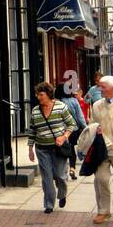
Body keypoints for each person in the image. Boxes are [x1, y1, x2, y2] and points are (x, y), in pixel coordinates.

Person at [28, 81, 74, 215]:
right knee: (47, 177)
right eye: (37, 94)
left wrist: (64, 136)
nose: (38, 97)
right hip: (42, 148)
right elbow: (32, 131)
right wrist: (30, 149)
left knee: (60, 176)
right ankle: (49, 204)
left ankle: (62, 194)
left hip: (58, 148)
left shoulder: (61, 107)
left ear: (48, 94)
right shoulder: (35, 111)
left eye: (41, 94)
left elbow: (71, 124)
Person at [90, 75, 113, 224]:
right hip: (101, 149)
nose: (100, 89)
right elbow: (91, 125)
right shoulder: (96, 105)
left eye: (103, 87)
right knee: (101, 179)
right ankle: (103, 211)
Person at [56, 82, 87, 180]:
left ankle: (61, 171)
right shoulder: (74, 101)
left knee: (61, 150)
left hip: (59, 130)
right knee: (71, 149)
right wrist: (86, 128)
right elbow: (80, 116)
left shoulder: (56, 102)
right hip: (73, 129)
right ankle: (72, 169)